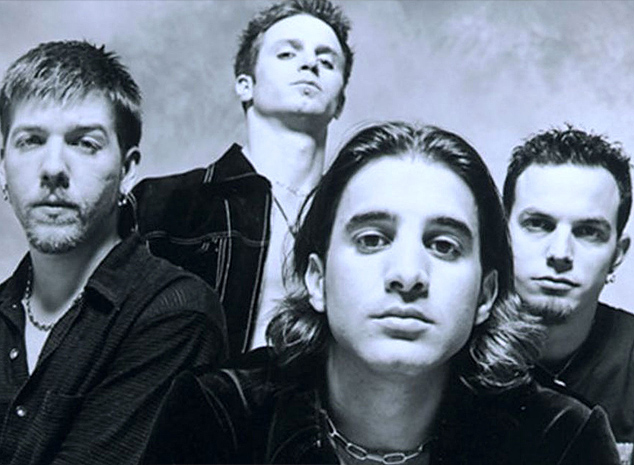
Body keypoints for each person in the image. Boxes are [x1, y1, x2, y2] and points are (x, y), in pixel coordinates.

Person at [142, 122, 620, 465]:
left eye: (444, 245)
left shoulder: (561, 439)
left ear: (486, 295)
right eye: (372, 239)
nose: (408, 275)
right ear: (316, 279)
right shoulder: (219, 415)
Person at [0, 40, 227, 465]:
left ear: (128, 169)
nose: (53, 168)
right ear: (2, 165)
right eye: (31, 140)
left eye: (84, 143)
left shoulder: (175, 314)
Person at [130, 0, 354, 357]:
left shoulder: (354, 218)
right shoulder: (162, 203)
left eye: (327, 61)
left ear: (340, 102)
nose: (310, 64)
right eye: (287, 54)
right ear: (245, 85)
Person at [503, 125, 634, 464]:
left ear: (617, 254)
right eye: (538, 224)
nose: (560, 253)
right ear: (502, 234)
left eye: (588, 231)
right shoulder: (450, 349)